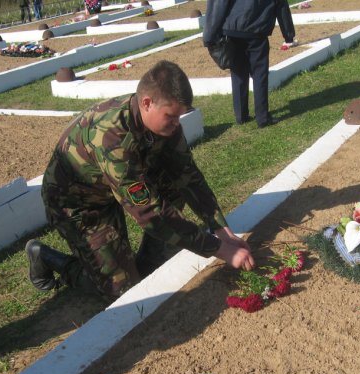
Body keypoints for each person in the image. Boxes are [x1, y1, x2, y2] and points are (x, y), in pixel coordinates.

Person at [26, 60, 255, 300]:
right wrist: (219, 249)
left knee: (172, 187)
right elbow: (150, 212)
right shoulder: (111, 137)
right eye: (171, 116)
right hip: (78, 203)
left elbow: (188, 175)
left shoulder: (165, 123)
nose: (177, 124)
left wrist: (220, 228)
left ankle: (146, 262)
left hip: (112, 187)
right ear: (147, 103)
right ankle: (49, 259)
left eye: (179, 116)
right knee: (123, 291)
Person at [203, 0, 295, 128]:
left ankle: (241, 116)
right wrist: (288, 34)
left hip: (233, 31)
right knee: (259, 75)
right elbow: (281, 5)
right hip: (258, 30)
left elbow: (219, 3)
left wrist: (209, 35)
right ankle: (262, 117)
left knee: (238, 74)